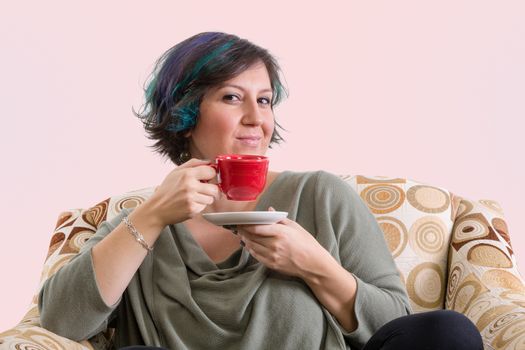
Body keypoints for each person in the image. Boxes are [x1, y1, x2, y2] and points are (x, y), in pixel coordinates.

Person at [38, 32, 483, 350]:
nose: (256, 117)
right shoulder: (140, 227)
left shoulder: (321, 197)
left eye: (265, 99)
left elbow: (400, 329)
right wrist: (151, 217)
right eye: (232, 97)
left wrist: (316, 267)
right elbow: (60, 320)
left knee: (447, 332)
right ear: (186, 114)